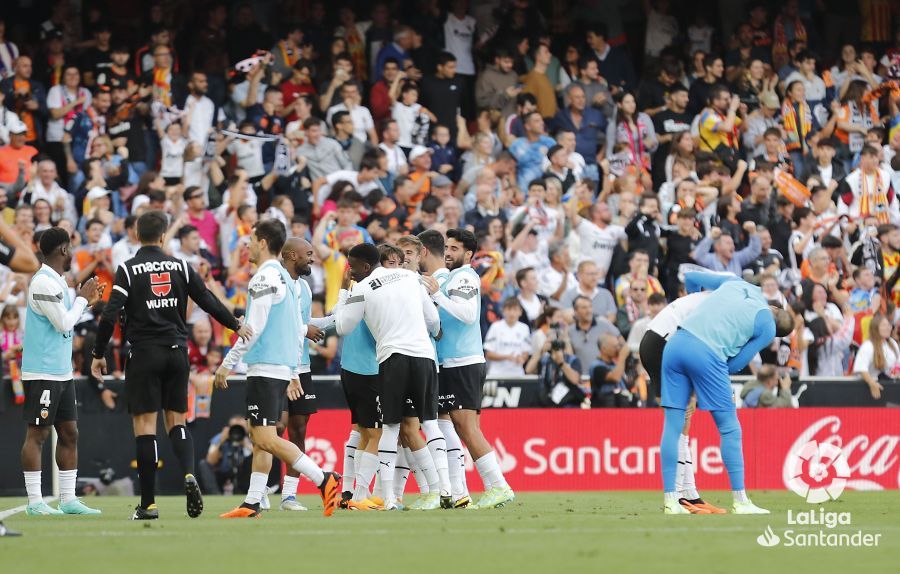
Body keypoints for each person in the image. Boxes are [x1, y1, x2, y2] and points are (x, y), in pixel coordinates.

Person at [90, 211, 249, 520]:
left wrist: (99, 352)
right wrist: (234, 325)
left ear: (136, 235)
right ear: (163, 237)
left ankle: (148, 505)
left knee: (145, 428)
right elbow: (207, 300)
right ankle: (189, 473)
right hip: (178, 351)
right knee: (177, 420)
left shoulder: (128, 268)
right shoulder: (180, 266)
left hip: (144, 353)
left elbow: (111, 313)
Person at [214, 220, 341, 518]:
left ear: (262, 243)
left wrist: (226, 365)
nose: (246, 246)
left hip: (266, 367)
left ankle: (324, 480)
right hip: (278, 367)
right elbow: (297, 328)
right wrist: (294, 370)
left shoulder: (263, 278)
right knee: (260, 437)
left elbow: (253, 329)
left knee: (266, 438)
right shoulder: (286, 279)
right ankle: (251, 502)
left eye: (250, 240)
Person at [660, 272, 794, 514]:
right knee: (730, 429)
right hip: (707, 354)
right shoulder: (767, 326)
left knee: (673, 426)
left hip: (676, 343)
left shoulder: (736, 282)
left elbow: (690, 276)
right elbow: (735, 365)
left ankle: (671, 501)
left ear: (774, 305)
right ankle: (741, 501)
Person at [332, 242, 445, 511]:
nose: (350, 270)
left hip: (379, 363)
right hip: (409, 358)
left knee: (380, 430)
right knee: (414, 426)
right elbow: (432, 319)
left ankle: (377, 495)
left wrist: (343, 292)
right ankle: (439, 490)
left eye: (353, 266)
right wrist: (436, 332)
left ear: (367, 266)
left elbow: (340, 325)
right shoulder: (408, 279)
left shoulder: (362, 288)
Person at [421, 228, 515, 509]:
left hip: (464, 361)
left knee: (466, 426)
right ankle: (458, 491)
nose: (448, 252)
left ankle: (498, 485)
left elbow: (467, 314)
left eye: (454, 249)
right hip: (449, 362)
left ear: (468, 254)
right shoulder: (450, 278)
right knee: (450, 426)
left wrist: (438, 296)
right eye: (447, 247)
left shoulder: (465, 276)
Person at [20, 228, 103, 516]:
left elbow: (67, 320)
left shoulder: (57, 281)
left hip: (62, 372)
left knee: (70, 433)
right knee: (38, 435)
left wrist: (85, 301)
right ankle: (34, 503)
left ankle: (67, 499)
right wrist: (81, 299)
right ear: (64, 251)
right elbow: (65, 324)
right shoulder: (43, 282)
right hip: (42, 371)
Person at [638, 271, 725, 513]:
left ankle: (690, 495)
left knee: (684, 421)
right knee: (679, 421)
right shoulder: (717, 307)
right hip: (664, 347)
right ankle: (677, 497)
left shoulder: (708, 298)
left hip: (662, 344)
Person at [277, 237, 331, 512]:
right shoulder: (275, 282)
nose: (312, 258)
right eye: (307, 254)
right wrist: (304, 330)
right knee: (274, 428)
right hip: (277, 366)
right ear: (290, 255)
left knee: (299, 429)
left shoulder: (306, 288)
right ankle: (260, 490)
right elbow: (281, 324)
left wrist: (335, 319)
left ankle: (289, 496)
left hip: (302, 366)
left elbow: (305, 324)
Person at [852, 313, 898, 400]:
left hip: (889, 387)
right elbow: (861, 369)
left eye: (889, 325)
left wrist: (897, 372)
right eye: (884, 325)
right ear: (875, 328)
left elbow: (897, 364)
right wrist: (872, 383)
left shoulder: (892, 343)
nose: (888, 328)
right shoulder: (868, 345)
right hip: (866, 389)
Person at [483, 297, 531, 376]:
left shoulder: (524, 328)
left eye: (515, 309)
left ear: (520, 312)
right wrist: (507, 357)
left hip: (517, 374)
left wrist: (521, 358)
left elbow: (526, 352)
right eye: (509, 309)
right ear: (503, 310)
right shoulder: (495, 327)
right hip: (497, 374)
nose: (512, 313)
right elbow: (488, 354)